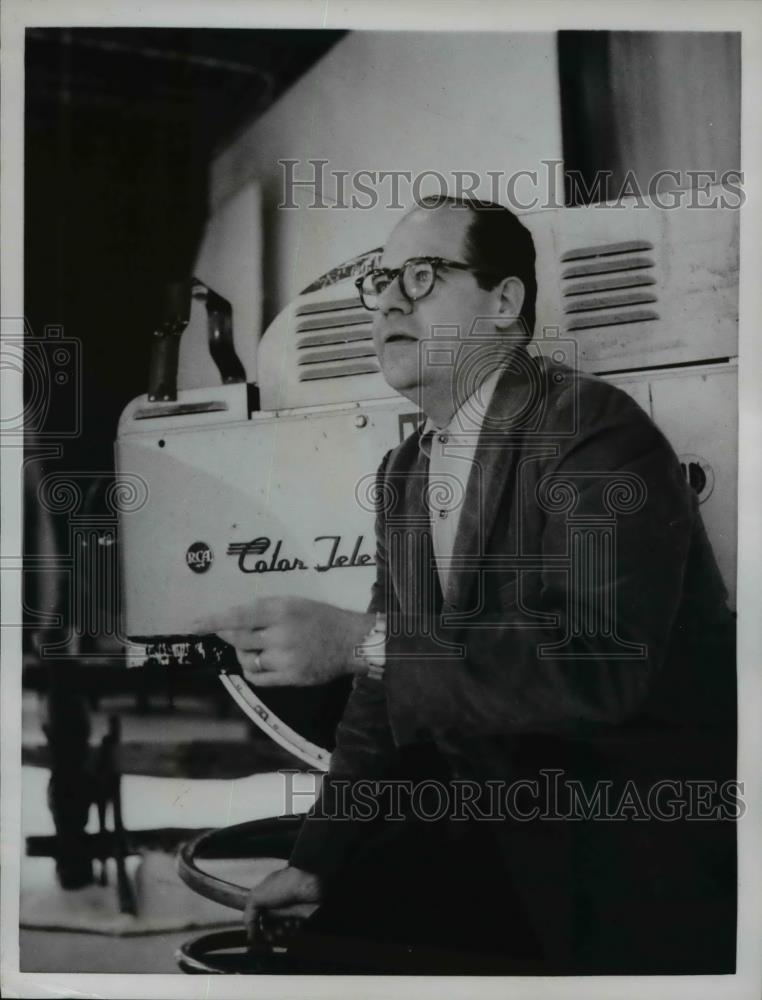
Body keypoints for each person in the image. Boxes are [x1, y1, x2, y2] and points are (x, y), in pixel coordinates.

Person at [194, 196, 736, 974]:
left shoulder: (592, 431)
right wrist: (322, 855)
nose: (386, 300)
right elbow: (381, 696)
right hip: (487, 817)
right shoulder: (406, 470)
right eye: (379, 282)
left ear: (505, 301)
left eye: (419, 276)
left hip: (618, 837)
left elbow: (598, 667)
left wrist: (360, 642)